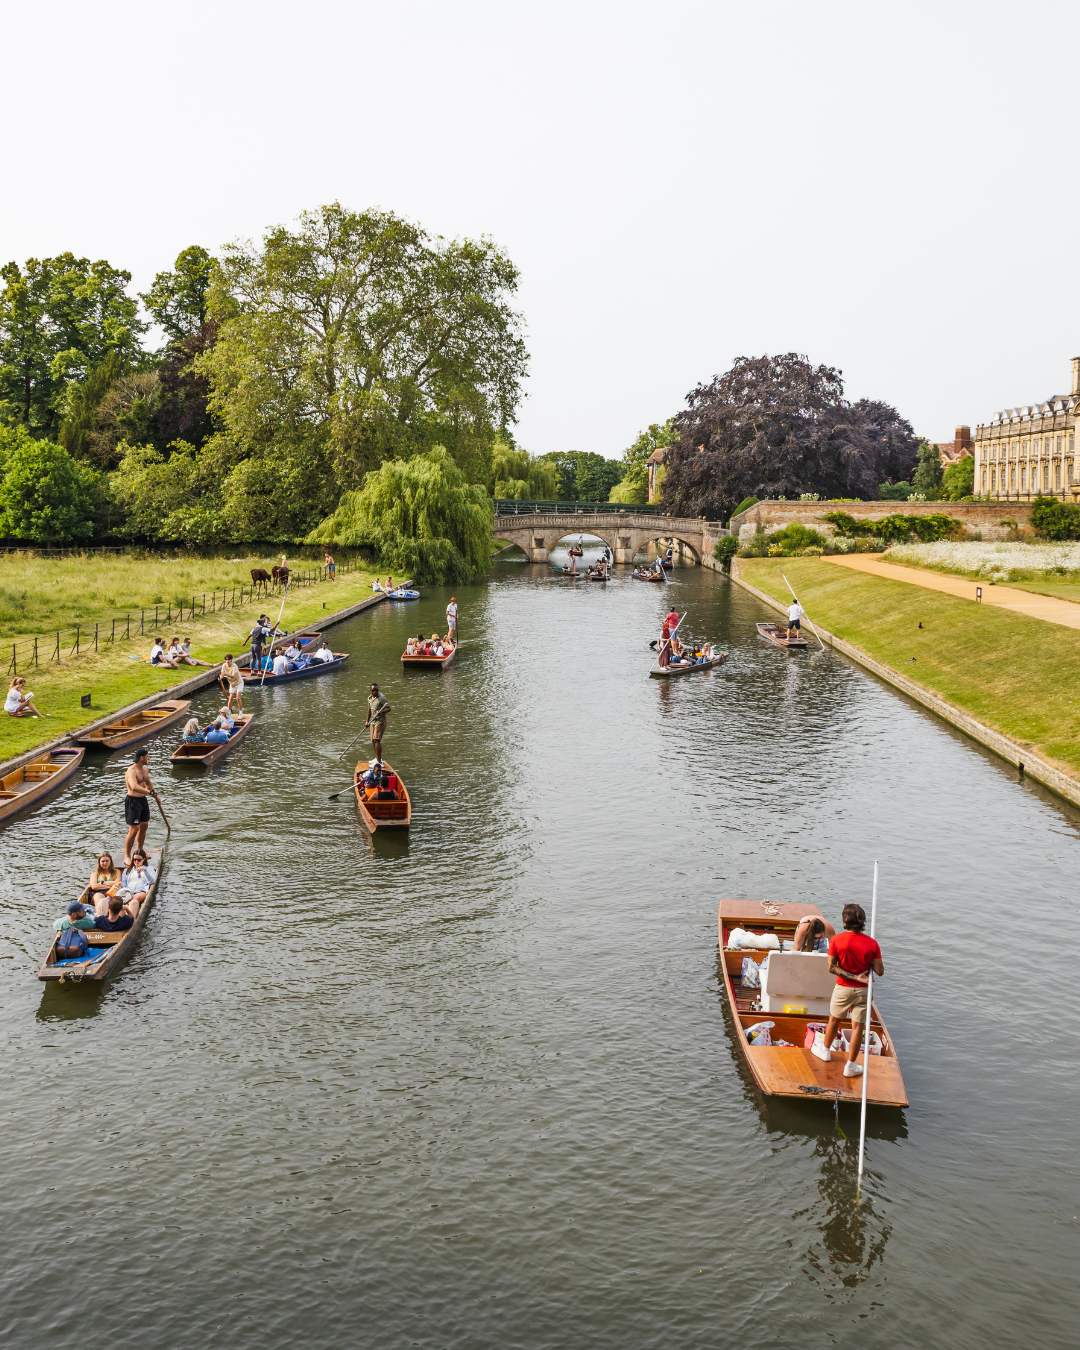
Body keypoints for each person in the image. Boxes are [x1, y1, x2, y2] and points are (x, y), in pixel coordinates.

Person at [811, 904, 884, 1078]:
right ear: (863, 921)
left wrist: (852, 976)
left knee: (834, 1020)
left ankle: (826, 1051)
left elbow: (832, 967)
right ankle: (850, 1066)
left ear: (845, 921)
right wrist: (867, 965)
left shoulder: (836, 940)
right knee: (858, 1027)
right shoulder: (872, 944)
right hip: (863, 991)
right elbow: (880, 972)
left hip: (843, 988)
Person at [124, 747, 160, 866]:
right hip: (133, 801)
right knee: (134, 830)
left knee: (144, 826)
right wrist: (148, 792)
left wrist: (154, 794)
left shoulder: (145, 769)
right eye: (147, 756)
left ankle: (140, 851)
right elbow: (134, 786)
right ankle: (127, 855)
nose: (148, 758)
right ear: (142, 758)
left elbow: (148, 783)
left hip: (143, 800)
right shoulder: (131, 771)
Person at [121, 849, 157, 916]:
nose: (136, 862)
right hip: (129, 890)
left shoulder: (149, 868)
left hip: (141, 891)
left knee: (135, 899)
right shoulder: (127, 870)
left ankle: (129, 916)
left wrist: (145, 872)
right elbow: (124, 884)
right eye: (134, 859)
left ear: (143, 859)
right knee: (120, 899)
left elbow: (152, 881)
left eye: (139, 860)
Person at [365, 683, 391, 763]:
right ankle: (376, 758)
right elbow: (369, 710)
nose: (375, 692)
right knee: (373, 740)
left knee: (377, 740)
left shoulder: (381, 698)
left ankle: (379, 762)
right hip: (373, 721)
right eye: (373, 690)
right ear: (371, 690)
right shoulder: (369, 698)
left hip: (381, 721)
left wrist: (381, 712)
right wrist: (367, 721)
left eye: (376, 690)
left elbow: (389, 708)